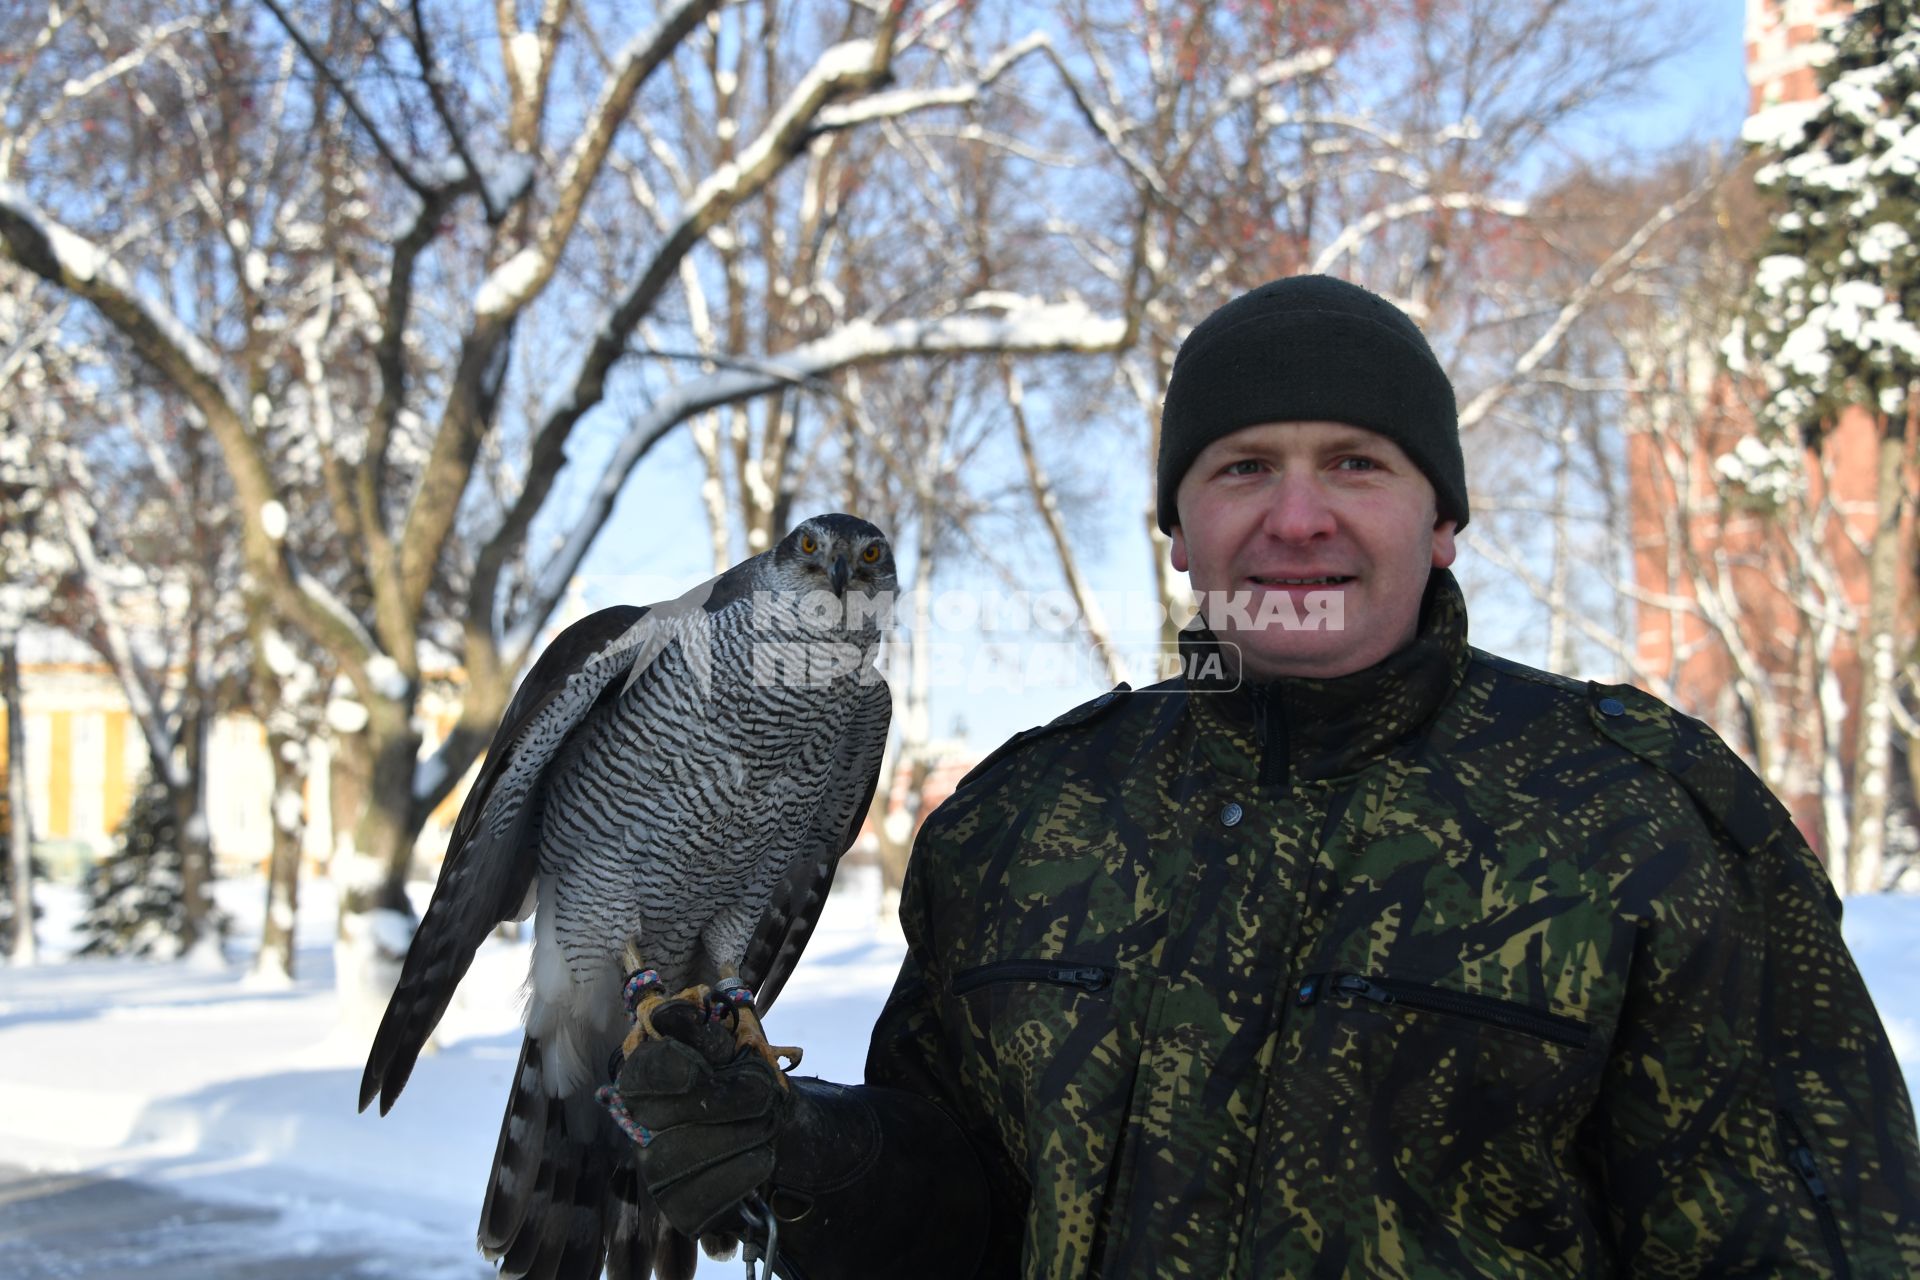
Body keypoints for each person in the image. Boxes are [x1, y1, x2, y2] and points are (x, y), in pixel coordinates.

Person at [620, 275, 1920, 1278]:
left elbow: (1812, 1243)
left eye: (1357, 462)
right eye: (1243, 469)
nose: (1297, 519)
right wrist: (812, 1159)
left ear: (1444, 517)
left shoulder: (1643, 820)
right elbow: (967, 1215)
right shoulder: (1025, 825)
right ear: (1181, 531)